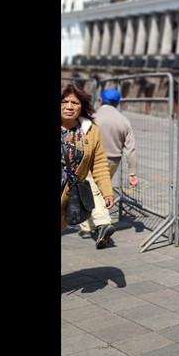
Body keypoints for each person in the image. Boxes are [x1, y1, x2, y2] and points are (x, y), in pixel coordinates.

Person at [60, 83, 117, 249]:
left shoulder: (90, 130)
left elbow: (99, 163)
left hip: (67, 194)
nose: (69, 106)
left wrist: (107, 191)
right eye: (64, 102)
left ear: (81, 106)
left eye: (75, 103)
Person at [81, 87, 137, 239]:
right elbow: (131, 148)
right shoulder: (124, 120)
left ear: (100, 100)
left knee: (90, 191)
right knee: (100, 191)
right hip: (113, 161)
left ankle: (98, 224)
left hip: (92, 159)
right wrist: (132, 172)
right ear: (118, 102)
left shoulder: (92, 116)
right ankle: (91, 225)